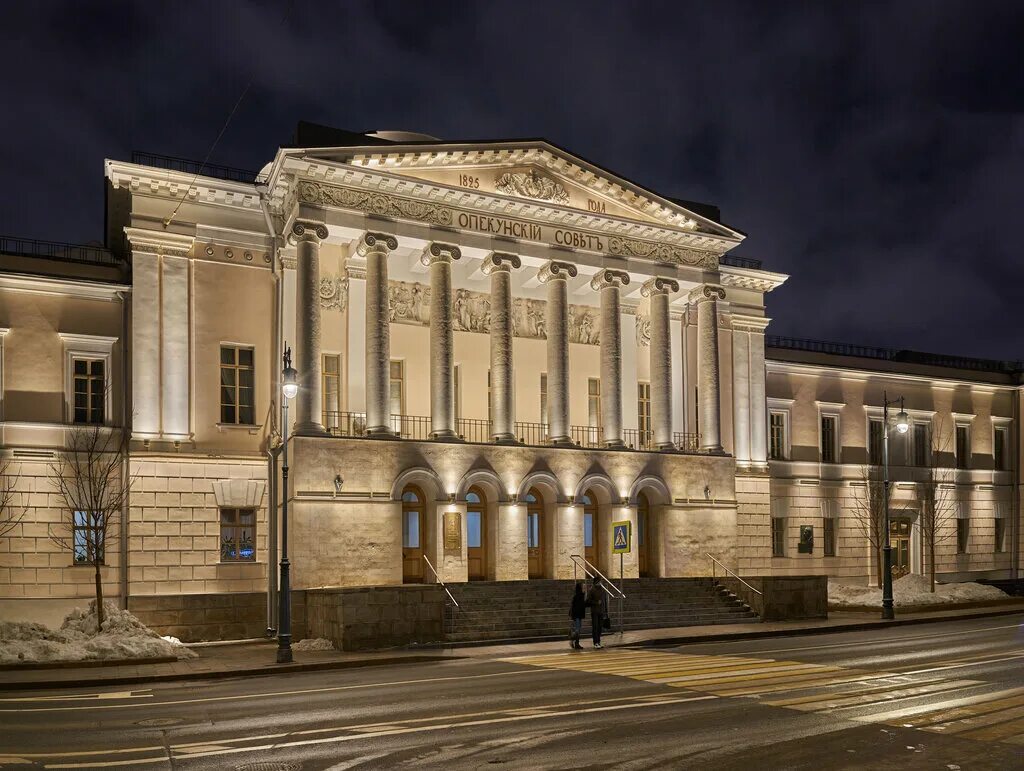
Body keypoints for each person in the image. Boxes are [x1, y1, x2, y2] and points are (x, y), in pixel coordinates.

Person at [586, 576, 608, 649]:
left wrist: (605, 611)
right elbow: (588, 601)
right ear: (595, 582)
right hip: (595, 611)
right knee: (595, 627)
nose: (600, 582)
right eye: (599, 581)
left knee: (600, 627)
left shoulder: (602, 589)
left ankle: (598, 642)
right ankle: (595, 642)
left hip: (601, 611)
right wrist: (596, 602)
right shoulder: (592, 590)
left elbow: (604, 601)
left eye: (600, 581)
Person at [569, 582, 586, 649]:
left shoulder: (582, 595)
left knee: (578, 630)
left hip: (579, 615)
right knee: (577, 630)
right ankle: (572, 640)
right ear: (580, 588)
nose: (585, 588)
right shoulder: (577, 596)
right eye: (583, 587)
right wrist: (574, 616)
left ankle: (577, 643)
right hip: (576, 616)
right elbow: (573, 607)